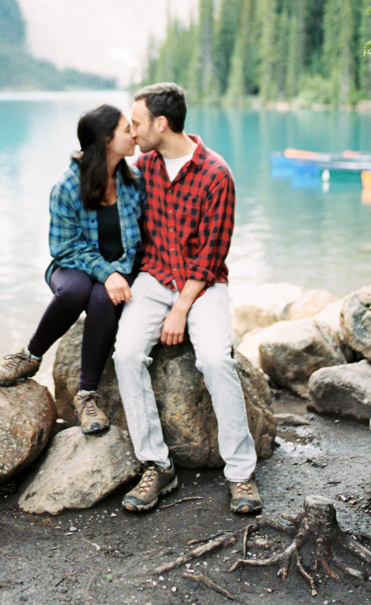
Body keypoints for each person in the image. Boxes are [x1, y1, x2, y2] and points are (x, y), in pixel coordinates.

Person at [113, 83, 261, 514]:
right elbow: (102, 173)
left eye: (137, 123)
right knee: (125, 355)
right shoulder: (144, 166)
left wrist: (181, 308)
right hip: (155, 276)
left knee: (216, 359)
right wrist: (83, 157)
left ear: (162, 123)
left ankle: (241, 473)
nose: (132, 131)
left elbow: (213, 253)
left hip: (204, 283)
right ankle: (158, 466)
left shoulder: (217, 174)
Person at [0, 104, 144, 435]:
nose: (135, 134)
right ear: (106, 140)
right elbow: (64, 247)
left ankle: (86, 397)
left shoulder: (134, 182)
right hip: (72, 264)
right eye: (126, 129)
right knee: (76, 291)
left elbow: (142, 241)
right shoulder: (68, 186)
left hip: (121, 268)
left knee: (104, 300)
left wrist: (121, 275)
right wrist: (106, 272)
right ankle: (29, 356)